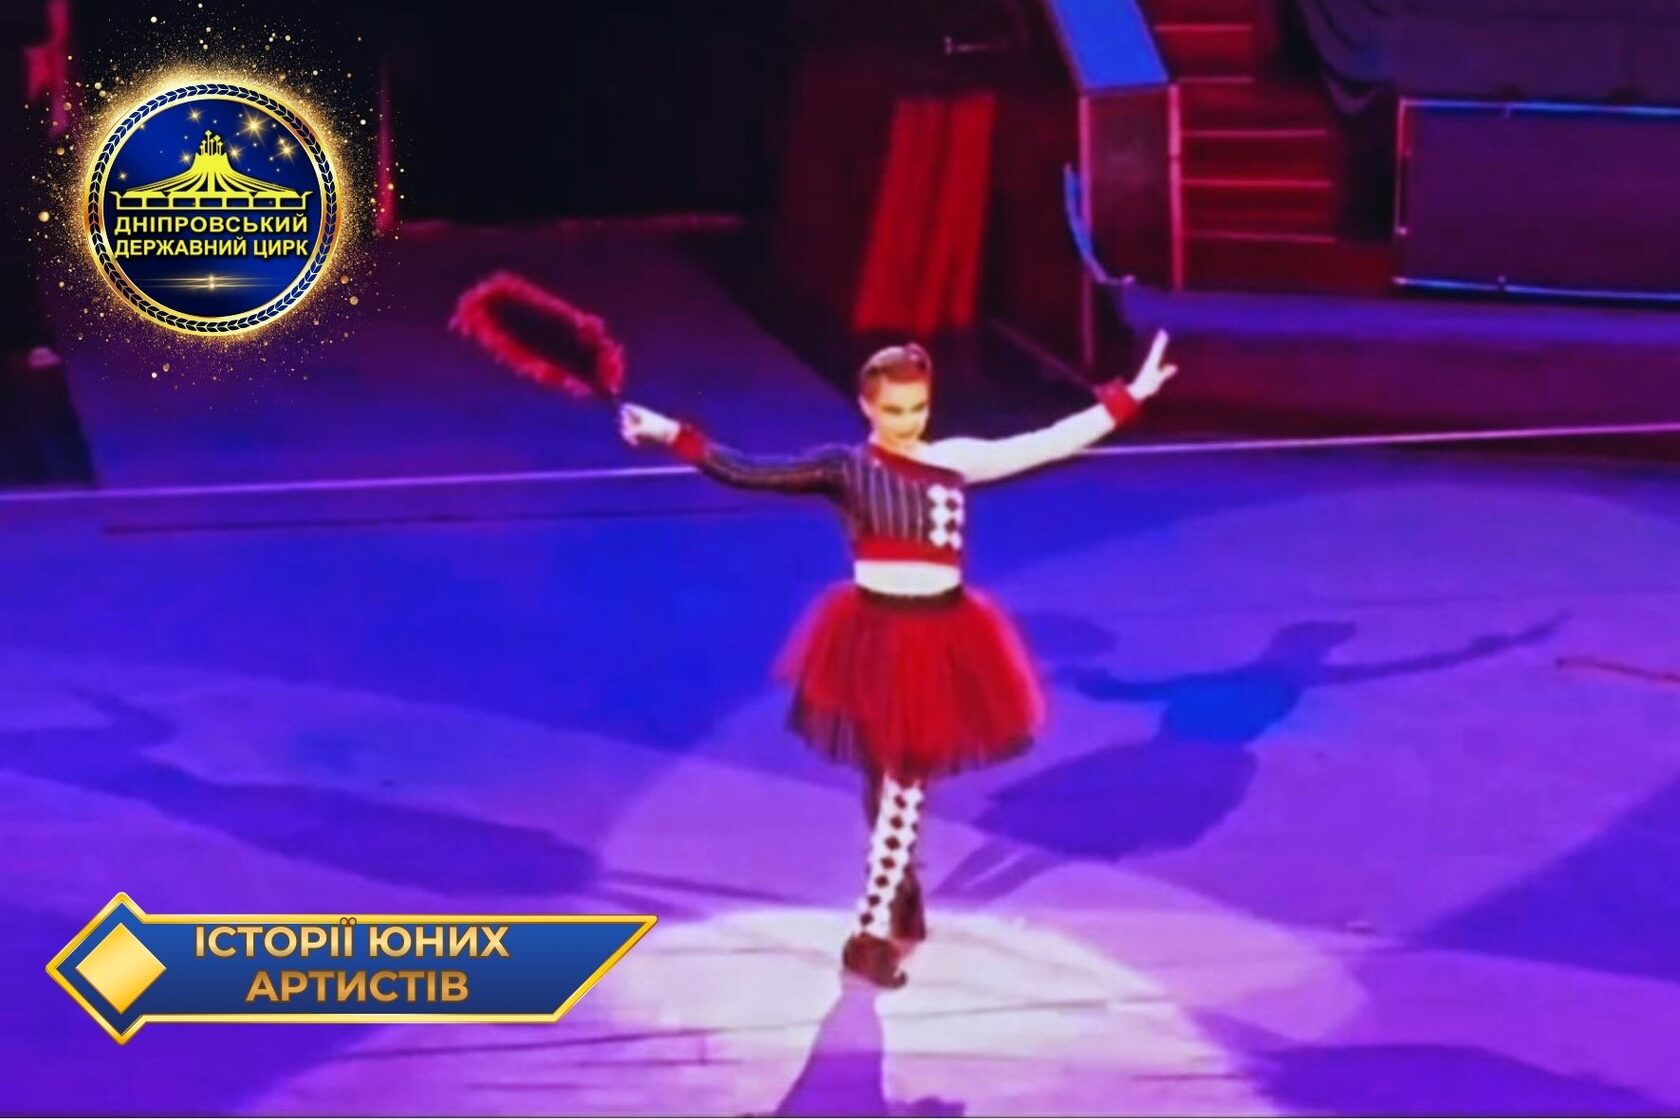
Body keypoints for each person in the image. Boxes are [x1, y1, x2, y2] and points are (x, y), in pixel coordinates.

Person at [618, 331, 1178, 987]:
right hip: (874, 641)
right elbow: (751, 471)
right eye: (893, 410)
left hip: (940, 640)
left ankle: (868, 934)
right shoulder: (845, 469)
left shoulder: (954, 460)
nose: (908, 423)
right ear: (866, 406)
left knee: (904, 784)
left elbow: (1047, 442)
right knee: (884, 785)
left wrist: (1128, 399)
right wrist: (671, 434)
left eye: (918, 408)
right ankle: (899, 894)